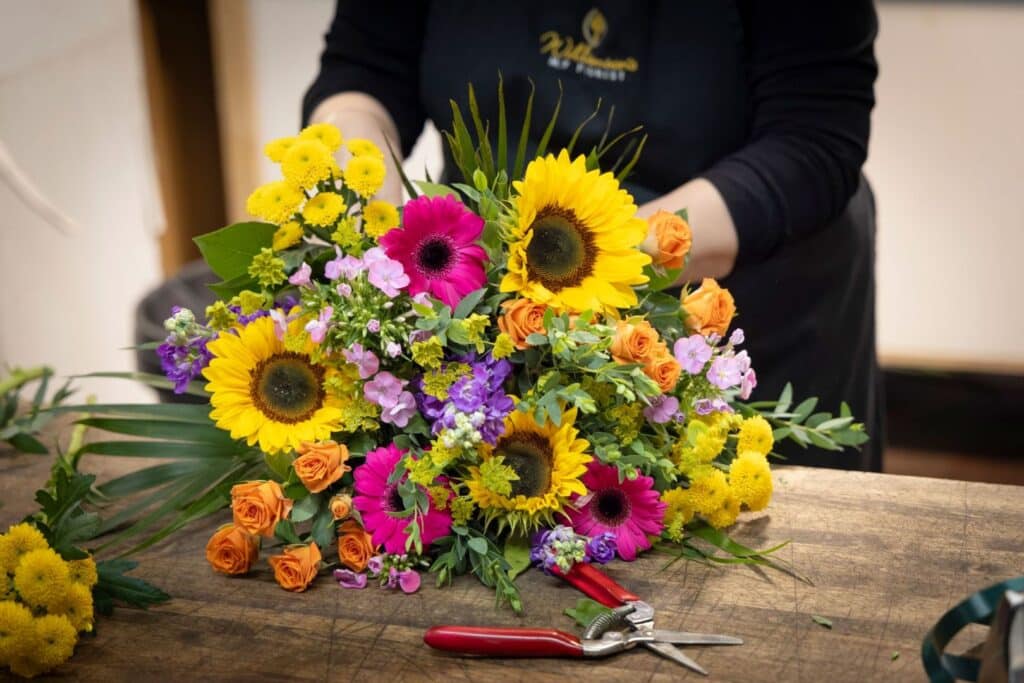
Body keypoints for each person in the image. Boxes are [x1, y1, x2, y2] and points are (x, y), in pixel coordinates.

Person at [302, 1, 883, 471]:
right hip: (493, 313)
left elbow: (811, 141)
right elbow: (364, 70)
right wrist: (363, 215)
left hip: (739, 306)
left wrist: (573, 270)